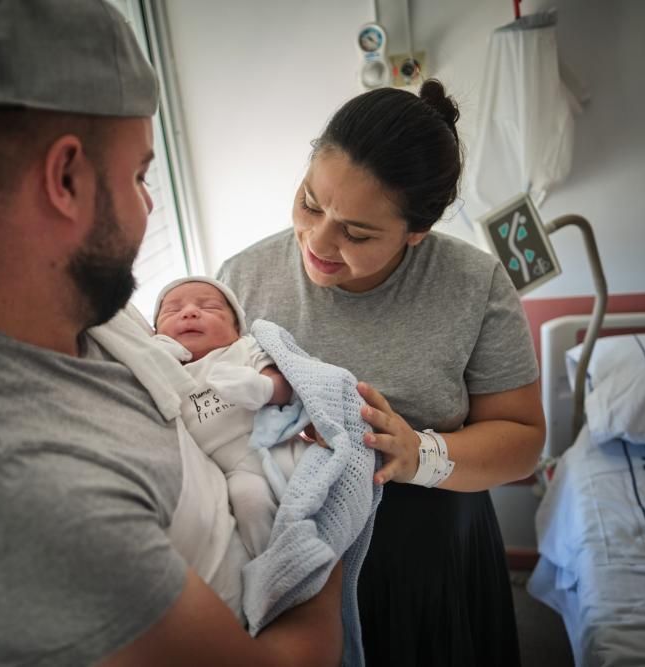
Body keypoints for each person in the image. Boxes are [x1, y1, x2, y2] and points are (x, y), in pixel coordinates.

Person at [0, 1, 343, 665]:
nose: (149, 205)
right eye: (138, 175)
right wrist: (327, 513)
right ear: (65, 178)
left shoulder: (55, 299)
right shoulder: (25, 496)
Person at [218, 79, 547, 666]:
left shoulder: (474, 286)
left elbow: (523, 441)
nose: (317, 241)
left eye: (357, 232)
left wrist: (420, 452)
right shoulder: (243, 279)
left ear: (417, 232)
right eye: (311, 203)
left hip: (431, 552)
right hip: (293, 551)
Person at [152, 277, 306, 559]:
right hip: (233, 470)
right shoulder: (165, 369)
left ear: (236, 328)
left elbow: (287, 388)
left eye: (209, 307)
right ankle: (278, 567)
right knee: (248, 499)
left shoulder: (242, 349)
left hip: (277, 444)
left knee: (313, 476)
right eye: (172, 311)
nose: (189, 312)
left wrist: (263, 387)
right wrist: (157, 358)